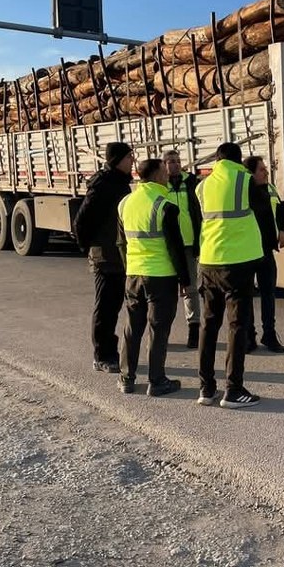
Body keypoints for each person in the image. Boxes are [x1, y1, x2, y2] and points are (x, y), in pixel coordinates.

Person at [195, 142, 277, 408]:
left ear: (217, 160)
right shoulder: (245, 180)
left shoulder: (202, 186)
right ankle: (233, 390)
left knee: (208, 326)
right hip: (238, 263)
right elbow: (264, 212)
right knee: (237, 326)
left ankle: (206, 389)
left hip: (209, 261)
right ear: (239, 160)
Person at [117, 158, 192, 397]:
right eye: (164, 172)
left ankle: (126, 378)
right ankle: (157, 381)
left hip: (134, 274)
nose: (167, 174)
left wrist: (129, 267)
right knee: (158, 329)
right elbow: (175, 247)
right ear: (156, 176)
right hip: (161, 276)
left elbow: (121, 242)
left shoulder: (125, 203)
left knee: (132, 327)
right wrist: (185, 280)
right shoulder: (165, 206)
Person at [73, 141, 134, 373]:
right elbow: (81, 221)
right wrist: (89, 249)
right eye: (128, 157)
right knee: (105, 308)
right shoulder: (102, 185)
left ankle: (110, 351)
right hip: (105, 258)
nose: (132, 161)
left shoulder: (119, 183)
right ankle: (102, 356)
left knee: (114, 306)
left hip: (118, 256)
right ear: (117, 160)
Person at [243, 155, 284, 353]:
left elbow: (280, 209)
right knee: (247, 296)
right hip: (247, 251)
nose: (266, 172)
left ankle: (269, 334)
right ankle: (249, 337)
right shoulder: (243, 192)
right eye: (262, 169)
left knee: (268, 294)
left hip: (266, 250)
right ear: (251, 173)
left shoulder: (270, 188)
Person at [162, 150, 204, 349]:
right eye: (171, 161)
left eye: (178, 161)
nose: (176, 164)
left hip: (188, 243)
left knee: (191, 288)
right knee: (167, 290)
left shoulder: (191, 183)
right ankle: (162, 331)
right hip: (167, 245)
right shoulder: (161, 185)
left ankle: (193, 328)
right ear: (163, 165)